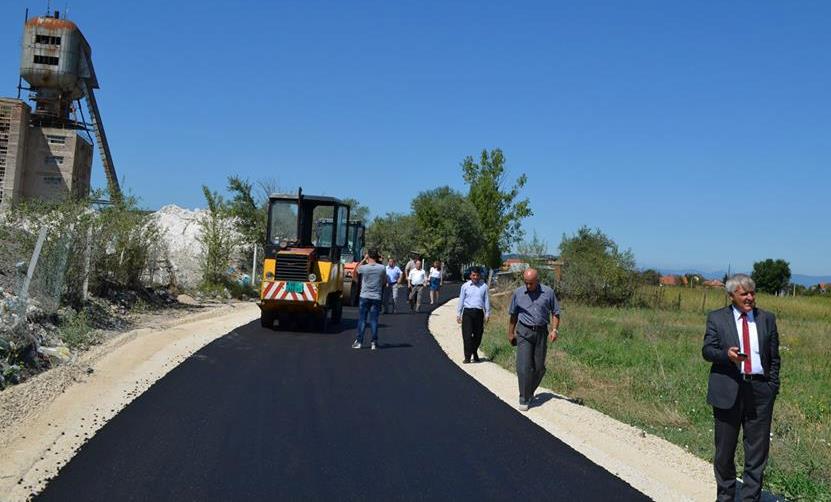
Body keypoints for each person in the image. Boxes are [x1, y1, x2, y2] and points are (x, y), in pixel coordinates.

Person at [702, 274, 780, 502]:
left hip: (760, 391)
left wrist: (772, 386)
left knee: (757, 452)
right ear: (731, 296)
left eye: (752, 292)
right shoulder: (717, 318)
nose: (749, 297)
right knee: (724, 452)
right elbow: (707, 350)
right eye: (743, 293)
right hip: (728, 390)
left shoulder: (767, 318)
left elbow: (774, 357)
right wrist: (726, 355)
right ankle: (725, 496)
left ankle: (750, 498)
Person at [507, 268, 560, 411]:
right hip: (524, 331)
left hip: (541, 332)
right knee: (523, 366)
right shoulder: (518, 293)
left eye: (531, 283)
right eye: (526, 283)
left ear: (537, 280)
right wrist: (511, 333)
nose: (528, 286)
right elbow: (513, 315)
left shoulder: (548, 293)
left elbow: (556, 313)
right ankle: (524, 397)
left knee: (539, 368)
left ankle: (529, 392)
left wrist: (554, 330)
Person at [352, 249, 386, 350]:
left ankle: (359, 342)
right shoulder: (382, 268)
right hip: (376, 296)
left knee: (362, 319)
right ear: (376, 256)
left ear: (368, 256)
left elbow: (355, 272)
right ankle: (374, 342)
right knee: (374, 320)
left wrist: (363, 259)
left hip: (364, 296)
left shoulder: (364, 268)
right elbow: (384, 281)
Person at [456, 267, 490, 363]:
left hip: (479, 313)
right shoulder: (465, 286)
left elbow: (487, 300)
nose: (475, 277)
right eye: (473, 275)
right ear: (470, 276)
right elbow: (461, 300)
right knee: (467, 335)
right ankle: (467, 357)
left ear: (480, 276)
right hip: (467, 313)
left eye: (477, 275)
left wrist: (487, 313)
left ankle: (474, 352)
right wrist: (458, 314)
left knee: (478, 335)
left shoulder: (484, 287)